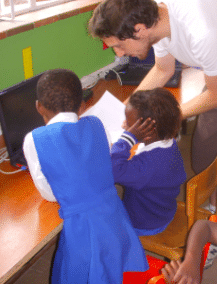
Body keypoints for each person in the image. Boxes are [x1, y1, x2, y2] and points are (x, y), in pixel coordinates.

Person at [88, 0, 217, 206]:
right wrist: (125, 108)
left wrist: (163, 118)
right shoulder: (155, 19)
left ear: (139, 30)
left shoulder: (202, 29)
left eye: (118, 46)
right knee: (205, 149)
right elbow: (162, 69)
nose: (118, 54)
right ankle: (214, 196)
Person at [22, 69, 148, 283]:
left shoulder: (34, 139)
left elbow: (50, 194)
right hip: (114, 217)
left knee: (81, 274)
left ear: (38, 106)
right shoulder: (97, 124)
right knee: (106, 269)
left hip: (83, 229)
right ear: (82, 105)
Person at [111, 88, 186, 236]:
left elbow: (113, 170)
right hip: (163, 210)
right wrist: (132, 133)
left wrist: (127, 138)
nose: (126, 125)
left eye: (131, 124)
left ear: (148, 131)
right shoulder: (169, 141)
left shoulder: (147, 166)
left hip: (144, 223)